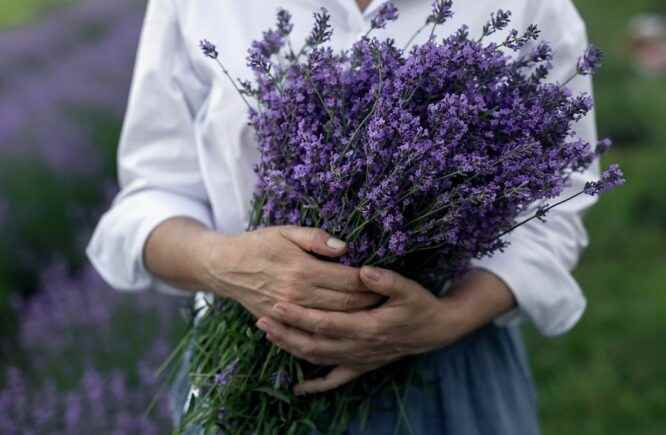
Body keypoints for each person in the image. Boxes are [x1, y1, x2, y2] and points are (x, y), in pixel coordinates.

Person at [87, 0, 600, 433]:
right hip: (248, 365)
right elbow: (152, 196)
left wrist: (446, 318)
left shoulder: (534, 8)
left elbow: (554, 209)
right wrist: (228, 263)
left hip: (445, 373)